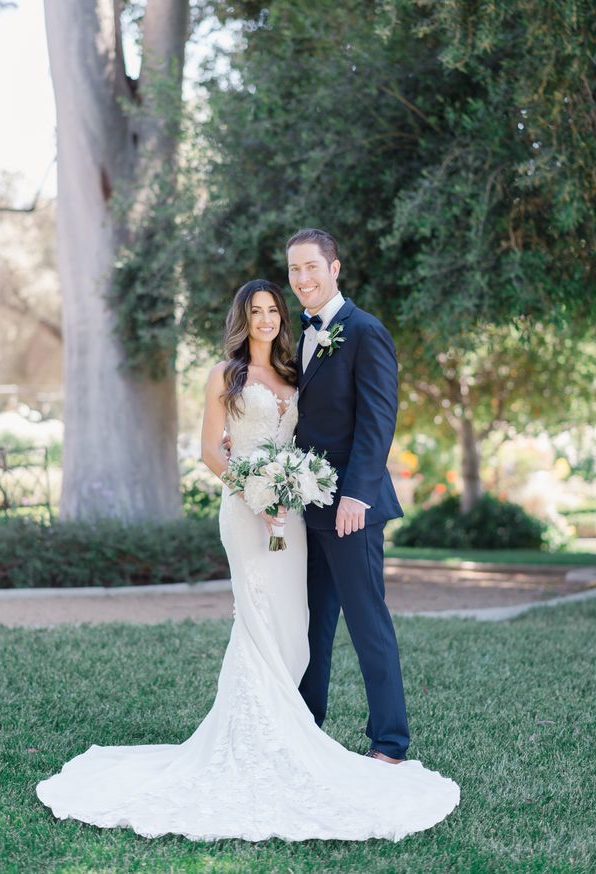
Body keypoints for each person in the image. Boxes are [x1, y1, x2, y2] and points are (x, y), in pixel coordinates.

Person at [36, 279, 459, 841]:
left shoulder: (294, 373)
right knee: (258, 619)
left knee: (297, 627)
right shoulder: (224, 375)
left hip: (297, 515)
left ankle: (298, 730)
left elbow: (352, 423)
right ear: (242, 318)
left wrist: (293, 493)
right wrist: (257, 497)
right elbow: (212, 450)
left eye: (271, 310)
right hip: (247, 511)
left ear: (284, 315)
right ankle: (259, 733)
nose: (265, 318)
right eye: (255, 311)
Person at [288, 227, 409, 764]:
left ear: (334, 269)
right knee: (311, 623)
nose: (302, 279)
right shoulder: (303, 334)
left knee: (367, 623)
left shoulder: (364, 331)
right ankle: (307, 726)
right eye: (294, 270)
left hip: (352, 510)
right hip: (308, 507)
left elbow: (378, 420)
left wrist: (356, 498)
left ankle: (389, 742)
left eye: (311, 267)